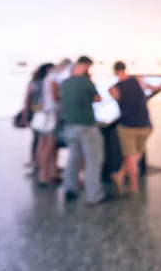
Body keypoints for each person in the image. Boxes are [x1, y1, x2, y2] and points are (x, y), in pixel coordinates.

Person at [109, 61, 161, 196]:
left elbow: (116, 99)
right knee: (136, 155)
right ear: (125, 69)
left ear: (115, 71)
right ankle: (121, 175)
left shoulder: (113, 88)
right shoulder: (138, 80)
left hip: (127, 126)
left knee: (131, 157)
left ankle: (132, 187)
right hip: (145, 125)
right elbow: (153, 88)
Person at [60, 56, 108, 205]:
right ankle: (94, 195)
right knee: (93, 160)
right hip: (86, 126)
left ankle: (70, 188)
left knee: (73, 158)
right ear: (86, 66)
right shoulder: (86, 83)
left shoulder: (65, 83)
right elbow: (98, 98)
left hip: (69, 126)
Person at [36, 59, 72, 187]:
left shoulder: (50, 77)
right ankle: (44, 176)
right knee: (49, 146)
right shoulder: (54, 78)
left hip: (48, 113)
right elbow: (55, 96)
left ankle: (51, 173)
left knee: (49, 146)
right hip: (53, 114)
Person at [21, 64, 52, 170]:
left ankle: (38, 160)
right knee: (39, 137)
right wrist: (25, 114)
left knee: (39, 137)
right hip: (38, 111)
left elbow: (27, 99)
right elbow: (27, 99)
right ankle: (37, 160)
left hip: (38, 111)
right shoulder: (39, 83)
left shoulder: (36, 82)